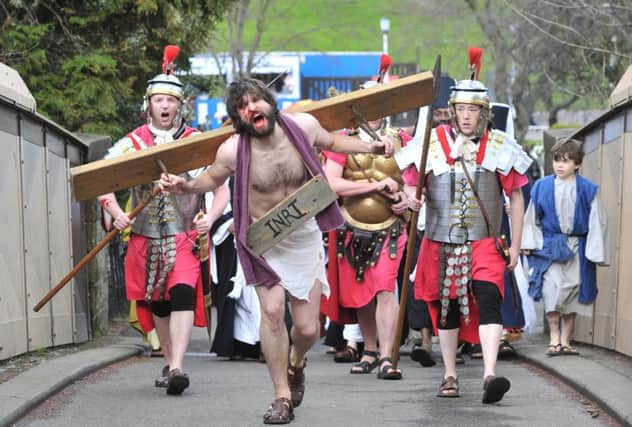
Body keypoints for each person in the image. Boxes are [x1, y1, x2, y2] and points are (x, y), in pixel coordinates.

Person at [159, 77, 394, 424]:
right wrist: (185, 186)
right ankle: (281, 396)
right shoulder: (233, 150)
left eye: (256, 100)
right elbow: (210, 180)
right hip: (262, 239)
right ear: (237, 117)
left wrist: (374, 149)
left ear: (270, 101)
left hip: (303, 235)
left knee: (308, 328)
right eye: (242, 106)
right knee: (271, 313)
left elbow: (333, 141)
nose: (251, 108)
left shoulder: (303, 126)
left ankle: (297, 361)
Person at [98, 45, 230, 396]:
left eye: (171, 101)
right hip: (144, 238)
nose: (165, 107)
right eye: (159, 101)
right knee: (158, 301)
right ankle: (170, 360)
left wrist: (211, 218)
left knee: (183, 294)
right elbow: (102, 184)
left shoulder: (196, 144)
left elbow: (221, 188)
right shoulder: (131, 144)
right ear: (149, 104)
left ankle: (178, 366)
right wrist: (117, 213)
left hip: (184, 236)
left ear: (180, 105)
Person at [412, 47, 532, 404]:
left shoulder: (500, 146)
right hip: (440, 240)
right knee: (446, 306)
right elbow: (409, 185)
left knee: (489, 299)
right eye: (460, 109)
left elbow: (516, 197)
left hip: (485, 240)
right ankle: (449, 374)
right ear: (452, 111)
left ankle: (490, 373)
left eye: (472, 110)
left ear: (483, 112)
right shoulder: (429, 145)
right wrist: (410, 200)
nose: (465, 116)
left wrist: (516, 243)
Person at [323, 80, 419, 380]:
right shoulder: (343, 141)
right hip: (352, 225)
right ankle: (370, 350)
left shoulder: (403, 139)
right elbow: (331, 183)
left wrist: (408, 199)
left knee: (384, 289)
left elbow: (414, 183)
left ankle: (389, 356)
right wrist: (375, 185)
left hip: (390, 228)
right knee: (362, 294)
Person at [522, 138, 609, 357]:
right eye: (557, 160)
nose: (560, 165)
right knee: (550, 289)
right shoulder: (542, 186)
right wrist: (529, 243)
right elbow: (532, 217)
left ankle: (565, 339)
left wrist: (595, 250)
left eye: (567, 161)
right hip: (550, 244)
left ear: (577, 164)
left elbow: (597, 220)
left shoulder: (588, 189)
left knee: (573, 291)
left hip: (577, 244)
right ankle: (553, 337)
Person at [398, 74, 458, 367]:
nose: (443, 119)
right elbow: (410, 179)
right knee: (421, 282)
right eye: (438, 114)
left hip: (457, 222)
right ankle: (423, 339)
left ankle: (456, 341)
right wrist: (412, 197)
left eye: (447, 114)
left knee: (454, 284)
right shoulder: (421, 142)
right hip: (423, 220)